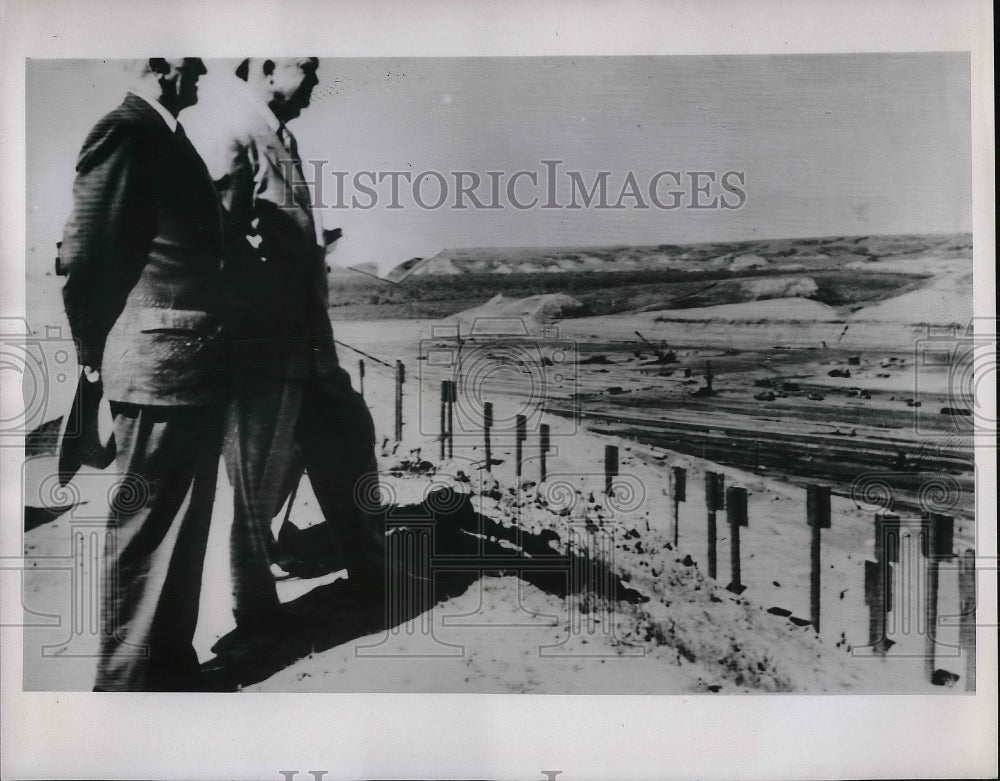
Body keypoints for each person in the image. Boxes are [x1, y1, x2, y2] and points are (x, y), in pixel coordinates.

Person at [182, 58, 386, 654]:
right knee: (250, 485)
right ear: (269, 65)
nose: (318, 81)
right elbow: (213, 243)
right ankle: (251, 616)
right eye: (309, 68)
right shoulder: (231, 129)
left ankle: (372, 573)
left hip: (307, 343)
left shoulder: (276, 132)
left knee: (348, 437)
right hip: (264, 347)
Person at [58, 58, 228, 690]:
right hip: (158, 363)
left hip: (189, 365)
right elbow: (86, 254)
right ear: (160, 63)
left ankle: (168, 670)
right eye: (193, 61)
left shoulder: (164, 135)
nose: (204, 70)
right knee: (145, 531)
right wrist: (91, 357)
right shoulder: (126, 130)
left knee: (181, 527)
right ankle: (124, 685)